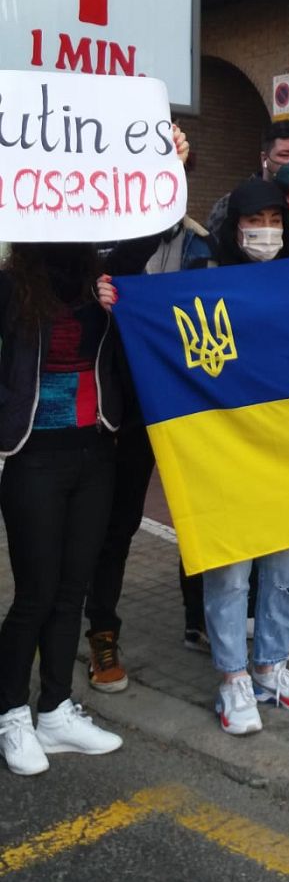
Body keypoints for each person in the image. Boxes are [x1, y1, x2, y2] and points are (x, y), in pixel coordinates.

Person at [171, 178, 289, 734]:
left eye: (276, 219)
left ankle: (271, 667)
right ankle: (233, 678)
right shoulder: (203, 280)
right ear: (233, 225)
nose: (266, 230)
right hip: (229, 448)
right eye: (254, 220)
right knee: (232, 570)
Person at [0, 247, 129, 775]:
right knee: (36, 592)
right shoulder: (10, 285)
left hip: (95, 452)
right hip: (33, 457)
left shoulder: (101, 282)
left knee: (73, 588)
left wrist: (120, 315)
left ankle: (54, 709)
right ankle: (10, 714)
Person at [85, 211, 217, 691]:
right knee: (118, 525)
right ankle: (102, 634)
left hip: (190, 403)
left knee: (200, 517)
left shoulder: (207, 240)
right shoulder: (102, 233)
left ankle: (199, 618)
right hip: (130, 408)